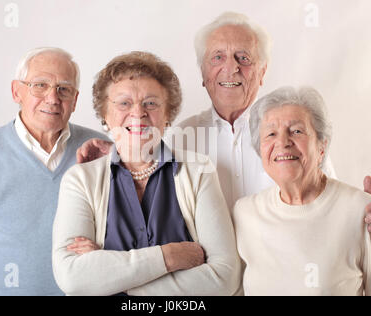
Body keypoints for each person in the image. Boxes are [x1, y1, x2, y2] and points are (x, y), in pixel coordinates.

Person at [76, 12, 371, 242]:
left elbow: (331, 204)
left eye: (243, 57)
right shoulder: (179, 136)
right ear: (202, 72)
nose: (231, 67)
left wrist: (366, 213)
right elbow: (142, 171)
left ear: (262, 71)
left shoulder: (295, 134)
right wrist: (113, 150)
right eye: (218, 57)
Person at [52, 51, 240, 296]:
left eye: (151, 103)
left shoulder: (198, 171)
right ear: (105, 115)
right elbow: (73, 278)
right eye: (124, 103)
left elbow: (224, 278)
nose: (138, 113)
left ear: (168, 115)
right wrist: (169, 257)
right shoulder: (80, 180)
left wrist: (109, 278)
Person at [0, 47, 106, 295]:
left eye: (64, 89)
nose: (52, 98)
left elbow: (133, 241)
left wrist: (106, 252)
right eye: (40, 85)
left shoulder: (100, 151)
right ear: (16, 91)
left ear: (75, 100)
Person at [233, 86, 371, 296]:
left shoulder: (361, 211)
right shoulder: (244, 214)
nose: (282, 143)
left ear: (322, 147)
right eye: (270, 134)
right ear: (260, 150)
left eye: (296, 131)